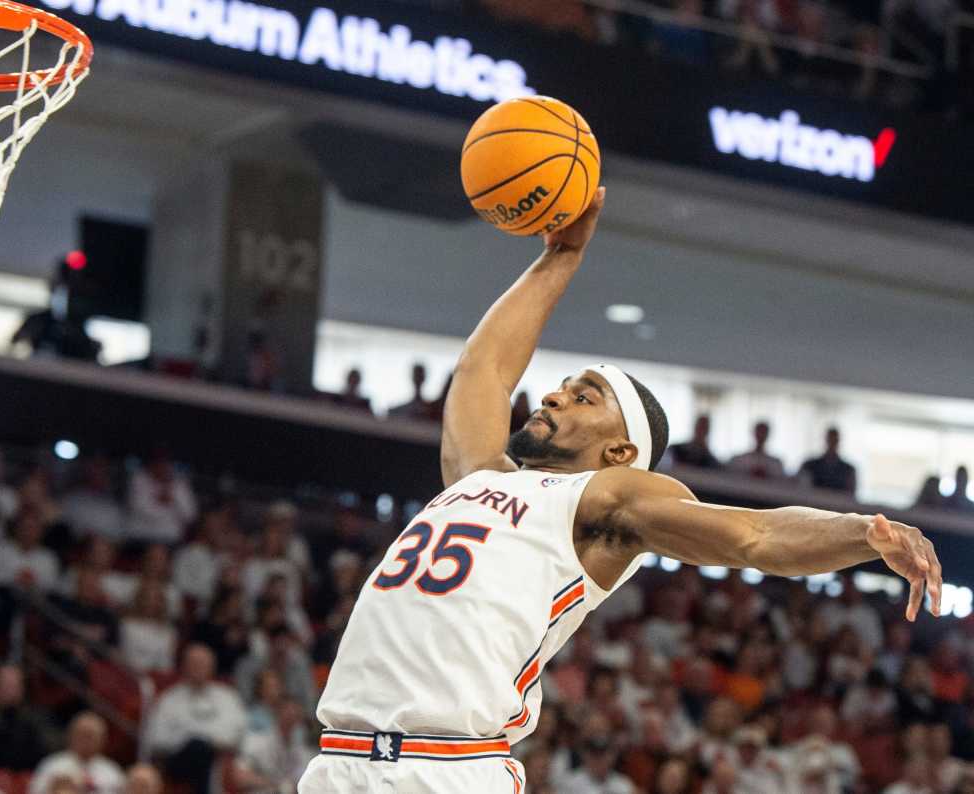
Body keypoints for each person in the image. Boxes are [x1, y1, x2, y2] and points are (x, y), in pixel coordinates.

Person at [297, 186, 944, 793]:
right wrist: (561, 257)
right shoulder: (479, 474)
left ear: (621, 452)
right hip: (338, 763)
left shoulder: (605, 503)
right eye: (564, 386)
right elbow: (485, 369)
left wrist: (861, 533)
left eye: (585, 397)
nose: (552, 395)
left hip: (442, 771)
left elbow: (756, 535)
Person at [143, 643, 245, 794]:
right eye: (194, 664)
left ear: (213, 667)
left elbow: (238, 732)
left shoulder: (227, 697)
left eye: (203, 664)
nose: (199, 668)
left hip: (220, 758)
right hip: (178, 761)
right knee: (198, 747)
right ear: (184, 666)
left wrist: (209, 740)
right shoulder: (169, 699)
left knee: (206, 751)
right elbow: (157, 740)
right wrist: (193, 740)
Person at [29, 712, 124, 794]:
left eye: (91, 736)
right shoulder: (52, 765)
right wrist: (53, 789)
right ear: (70, 735)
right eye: (82, 735)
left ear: (102, 740)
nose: (86, 741)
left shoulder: (112, 772)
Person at [799, 427, 858, 494]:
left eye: (834, 440)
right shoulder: (810, 465)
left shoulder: (848, 470)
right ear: (826, 440)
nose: (832, 443)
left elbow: (850, 494)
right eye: (830, 439)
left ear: (838, 441)